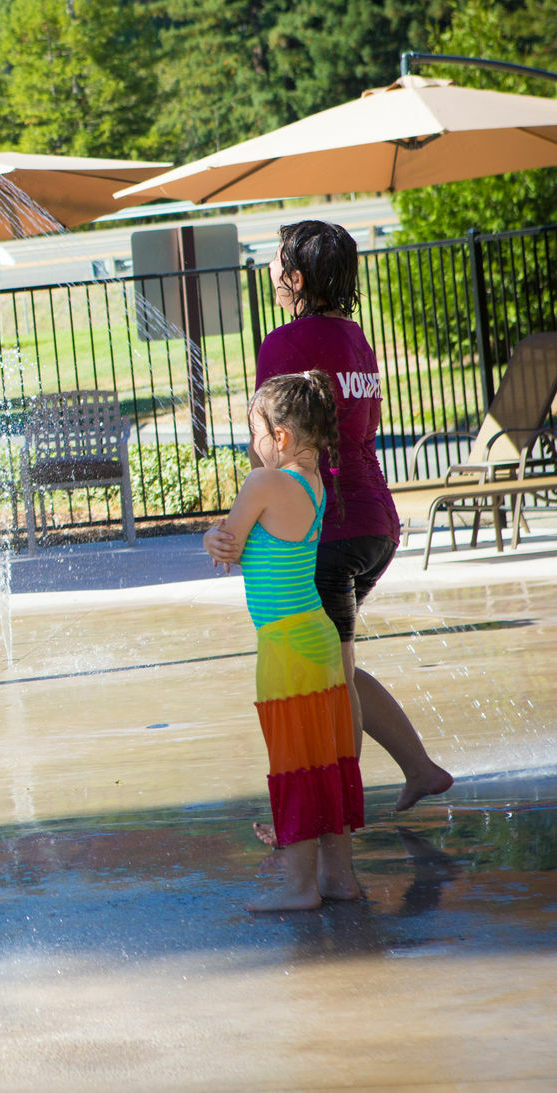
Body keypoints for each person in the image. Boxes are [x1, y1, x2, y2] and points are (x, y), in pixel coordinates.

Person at [206, 221, 453, 812]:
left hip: (331, 529)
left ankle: (336, 817)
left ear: (293, 278)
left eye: (274, 261)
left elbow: (275, 439)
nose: (268, 271)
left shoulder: (283, 343)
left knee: (329, 678)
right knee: (334, 660)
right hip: (375, 521)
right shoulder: (355, 336)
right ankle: (419, 769)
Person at [208, 372, 363, 911]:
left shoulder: (264, 484)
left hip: (284, 644)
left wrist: (211, 537)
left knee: (294, 764)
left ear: (281, 438)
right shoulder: (313, 483)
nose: (250, 446)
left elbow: (227, 544)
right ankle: (338, 878)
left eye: (254, 433)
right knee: (328, 760)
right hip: (318, 636)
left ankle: (300, 889)